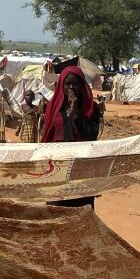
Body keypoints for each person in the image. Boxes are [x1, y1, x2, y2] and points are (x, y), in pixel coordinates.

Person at [42, 66, 102, 208]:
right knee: (55, 210)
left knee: (81, 210)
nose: (71, 87)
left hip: (81, 170)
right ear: (61, 85)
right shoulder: (53, 108)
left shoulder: (91, 109)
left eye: (75, 83)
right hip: (56, 169)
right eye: (67, 83)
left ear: (82, 86)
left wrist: (76, 114)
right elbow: (46, 137)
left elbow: (91, 136)